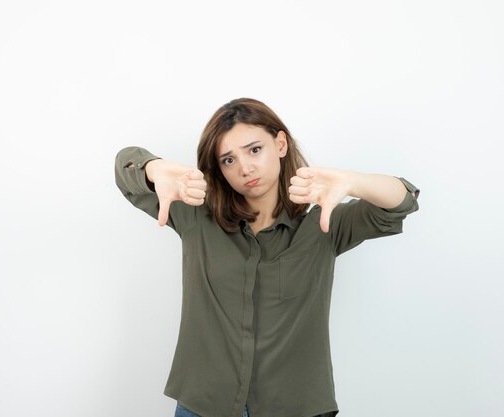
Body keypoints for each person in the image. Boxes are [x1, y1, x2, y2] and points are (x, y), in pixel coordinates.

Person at [114, 98, 420, 417]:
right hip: (204, 404)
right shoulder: (196, 218)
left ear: (281, 144)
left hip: (296, 407)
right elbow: (125, 167)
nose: (245, 168)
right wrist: (155, 168)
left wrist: (352, 182)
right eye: (228, 160)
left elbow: (402, 202)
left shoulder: (324, 226)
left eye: (254, 150)